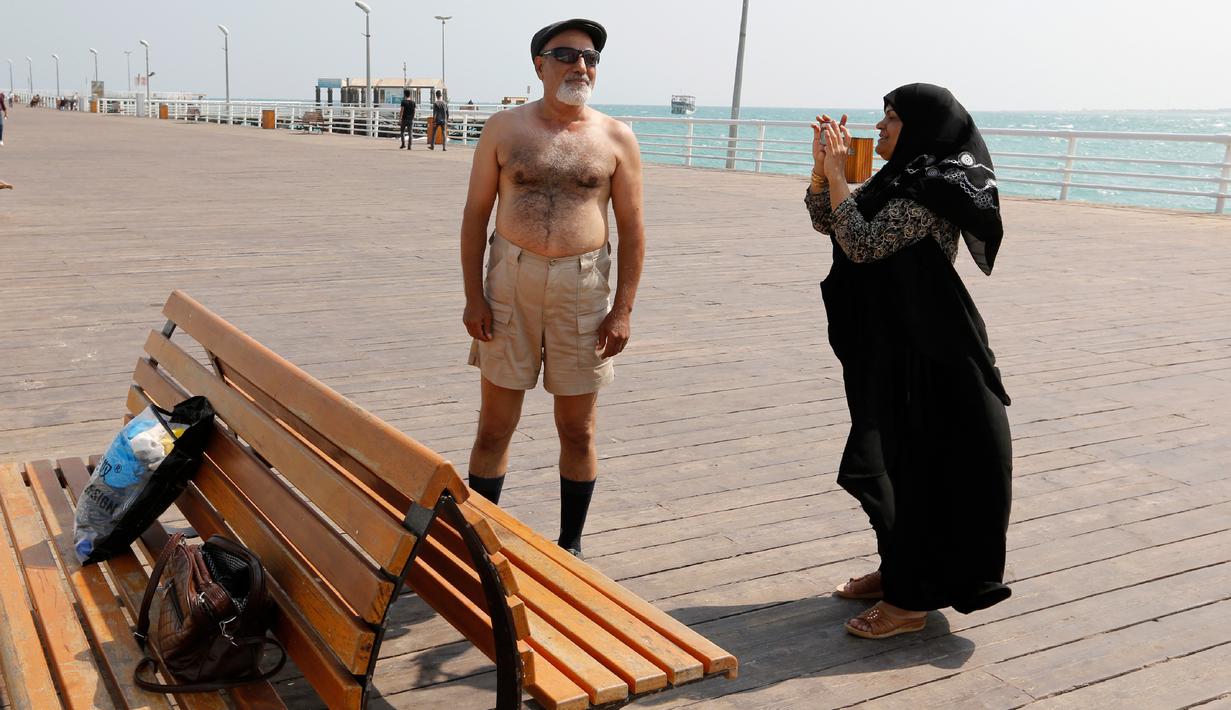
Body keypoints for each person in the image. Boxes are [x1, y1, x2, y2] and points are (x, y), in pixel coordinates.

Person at [805, 83, 1012, 639]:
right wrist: (824, 170)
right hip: (885, 343)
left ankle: (911, 601)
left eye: (891, 119)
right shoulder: (899, 176)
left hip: (928, 352)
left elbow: (863, 243)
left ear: (920, 127)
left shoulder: (934, 188)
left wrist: (841, 177)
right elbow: (827, 220)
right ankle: (898, 568)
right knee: (887, 458)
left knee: (918, 470)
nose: (880, 130)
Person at [458, 18, 645, 558]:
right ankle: (482, 545)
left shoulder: (615, 138)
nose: (579, 66)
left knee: (577, 429)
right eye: (566, 55)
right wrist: (474, 296)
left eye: (589, 59)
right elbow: (475, 217)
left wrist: (623, 310)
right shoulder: (504, 129)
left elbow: (633, 228)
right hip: (508, 285)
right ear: (539, 64)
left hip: (582, 290)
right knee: (494, 426)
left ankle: (571, 546)